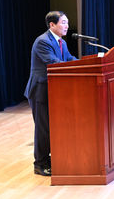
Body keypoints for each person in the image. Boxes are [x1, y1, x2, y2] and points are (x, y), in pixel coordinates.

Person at [25, 11, 78, 176]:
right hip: (41, 91)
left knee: (52, 127)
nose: (67, 26)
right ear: (52, 25)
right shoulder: (43, 42)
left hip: (54, 91)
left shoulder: (61, 41)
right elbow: (55, 64)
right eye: (63, 22)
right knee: (43, 128)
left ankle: (49, 158)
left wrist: (86, 64)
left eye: (67, 22)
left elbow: (68, 58)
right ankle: (39, 164)